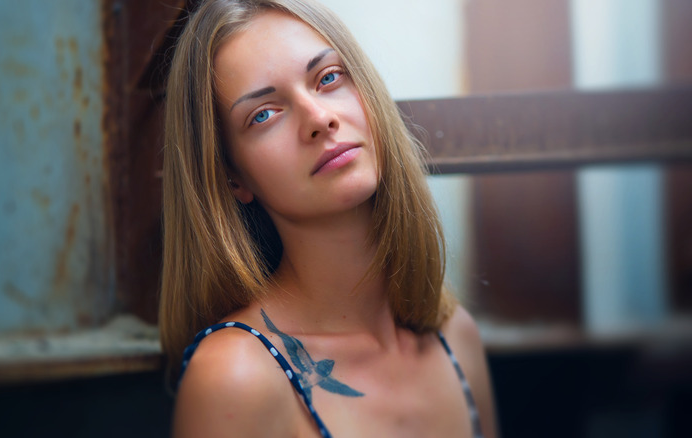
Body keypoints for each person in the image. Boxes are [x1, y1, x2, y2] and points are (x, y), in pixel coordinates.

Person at [159, 0, 497, 436]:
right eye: (263, 114)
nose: (319, 119)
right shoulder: (234, 376)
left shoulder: (456, 339)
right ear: (232, 178)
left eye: (328, 78)